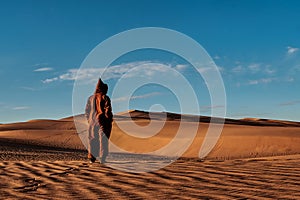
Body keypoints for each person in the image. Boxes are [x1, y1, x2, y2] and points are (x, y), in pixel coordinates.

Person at [85, 78, 113, 164]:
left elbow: (87, 111)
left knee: (92, 139)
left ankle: (92, 158)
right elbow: (107, 109)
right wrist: (109, 119)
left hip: (92, 122)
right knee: (103, 139)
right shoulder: (105, 97)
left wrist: (89, 120)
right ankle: (102, 157)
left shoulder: (90, 98)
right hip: (103, 122)